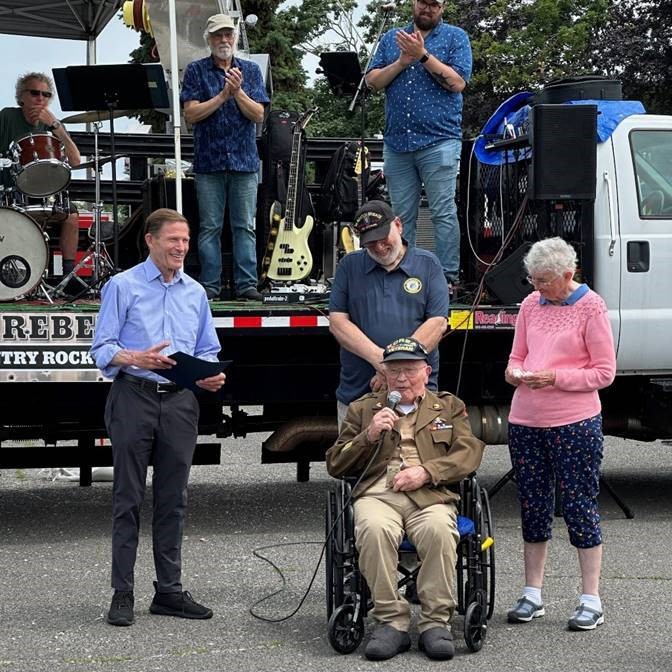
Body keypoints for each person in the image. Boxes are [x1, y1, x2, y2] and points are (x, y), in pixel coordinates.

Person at [90, 208, 226, 627]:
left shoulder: (195, 292)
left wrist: (208, 374)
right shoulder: (122, 285)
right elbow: (102, 348)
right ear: (150, 240)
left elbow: (207, 347)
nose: (181, 248)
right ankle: (122, 592)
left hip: (181, 401)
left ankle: (169, 591)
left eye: (185, 241)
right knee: (128, 498)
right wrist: (136, 357)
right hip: (134, 395)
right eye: (173, 240)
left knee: (174, 500)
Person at [326, 336, 484, 661]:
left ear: (426, 371)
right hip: (378, 493)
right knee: (372, 530)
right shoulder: (363, 408)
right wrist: (367, 435)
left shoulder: (448, 407)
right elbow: (335, 462)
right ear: (383, 374)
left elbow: (469, 453)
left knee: (440, 531)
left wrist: (427, 471)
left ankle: (435, 622)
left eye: (410, 370)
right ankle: (390, 621)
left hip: (429, 492)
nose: (402, 378)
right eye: (394, 370)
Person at [504, 237, 616, 631]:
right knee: (533, 505)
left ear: (568, 275)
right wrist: (514, 373)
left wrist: (555, 377)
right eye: (532, 279)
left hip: (574, 421)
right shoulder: (530, 305)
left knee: (579, 505)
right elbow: (516, 356)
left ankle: (591, 598)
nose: (536, 287)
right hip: (525, 420)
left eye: (544, 281)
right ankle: (532, 593)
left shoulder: (591, 306)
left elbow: (604, 372)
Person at [366, 0, 472, 289]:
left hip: (439, 141)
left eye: (434, 4)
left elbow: (458, 82)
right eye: (423, 2)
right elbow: (372, 81)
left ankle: (447, 278)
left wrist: (422, 55)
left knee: (442, 211)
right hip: (398, 143)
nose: (427, 8)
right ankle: (406, 274)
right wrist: (402, 61)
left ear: (443, 7)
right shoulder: (391, 39)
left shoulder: (455, 37)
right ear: (413, 3)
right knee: (401, 216)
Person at [329, 200, 449, 429]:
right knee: (353, 461)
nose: (379, 247)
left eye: (383, 237)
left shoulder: (428, 264)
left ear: (398, 225)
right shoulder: (349, 266)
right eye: (370, 243)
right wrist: (382, 363)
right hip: (358, 393)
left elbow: (437, 323)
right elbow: (338, 323)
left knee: (414, 463)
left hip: (416, 396)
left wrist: (393, 369)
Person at [181, 13, 269, 301]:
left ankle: (247, 285)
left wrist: (238, 91)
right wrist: (222, 95)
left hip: (244, 161)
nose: (223, 40)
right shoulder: (195, 70)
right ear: (208, 39)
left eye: (228, 34)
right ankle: (210, 286)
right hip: (209, 161)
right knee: (210, 227)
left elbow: (258, 115)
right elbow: (191, 114)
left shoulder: (251, 71)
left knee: (245, 226)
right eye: (218, 35)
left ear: (234, 37)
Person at [0, 72, 81, 289]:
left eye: (46, 94)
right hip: (9, 192)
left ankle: (67, 278)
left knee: (72, 217)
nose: (40, 98)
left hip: (46, 194)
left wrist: (56, 126)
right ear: (21, 97)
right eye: (34, 93)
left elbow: (75, 160)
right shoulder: (7, 117)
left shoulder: (52, 125)